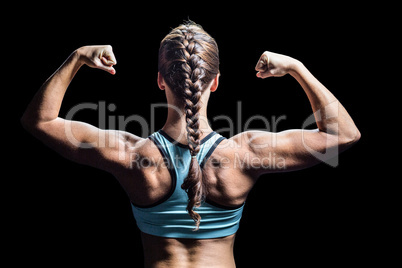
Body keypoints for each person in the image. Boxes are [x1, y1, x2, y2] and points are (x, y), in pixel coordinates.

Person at [21, 21, 360, 268]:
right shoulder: (245, 154)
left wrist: (78, 57)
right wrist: (297, 68)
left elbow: (40, 121)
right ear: (214, 82)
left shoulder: (131, 154)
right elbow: (342, 134)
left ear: (159, 80)